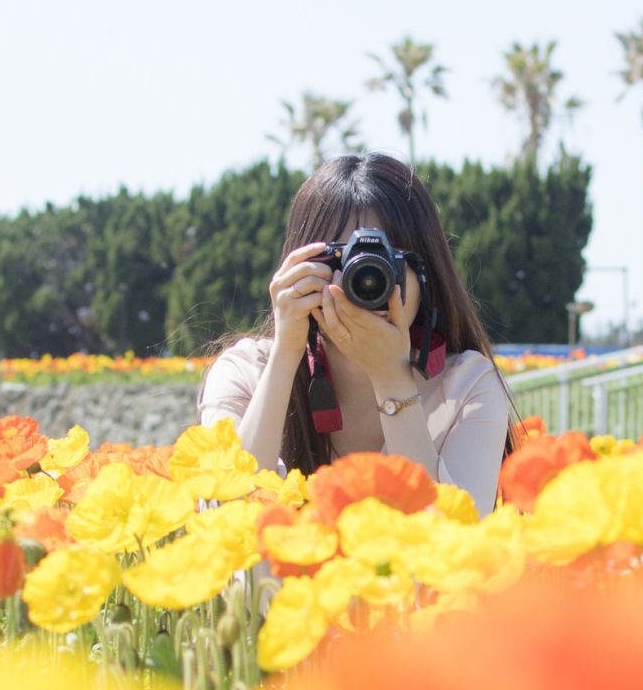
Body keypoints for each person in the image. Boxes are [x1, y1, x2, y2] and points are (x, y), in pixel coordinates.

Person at [198, 153, 516, 515]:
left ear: (425, 275)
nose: (365, 282)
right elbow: (225, 519)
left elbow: (454, 550)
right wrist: (286, 353)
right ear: (299, 268)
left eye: (385, 263)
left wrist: (392, 381)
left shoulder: (466, 386)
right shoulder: (245, 372)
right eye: (342, 261)